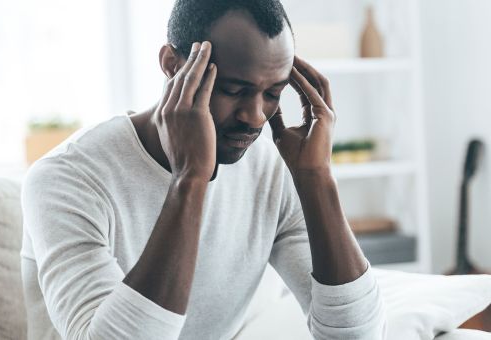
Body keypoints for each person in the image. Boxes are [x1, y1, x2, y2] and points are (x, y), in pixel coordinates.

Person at [20, 0, 387, 339]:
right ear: (171, 66)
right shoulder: (64, 178)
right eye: (232, 89)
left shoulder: (272, 166)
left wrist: (316, 179)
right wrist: (190, 179)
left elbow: (356, 334)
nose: (255, 116)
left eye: (273, 93)